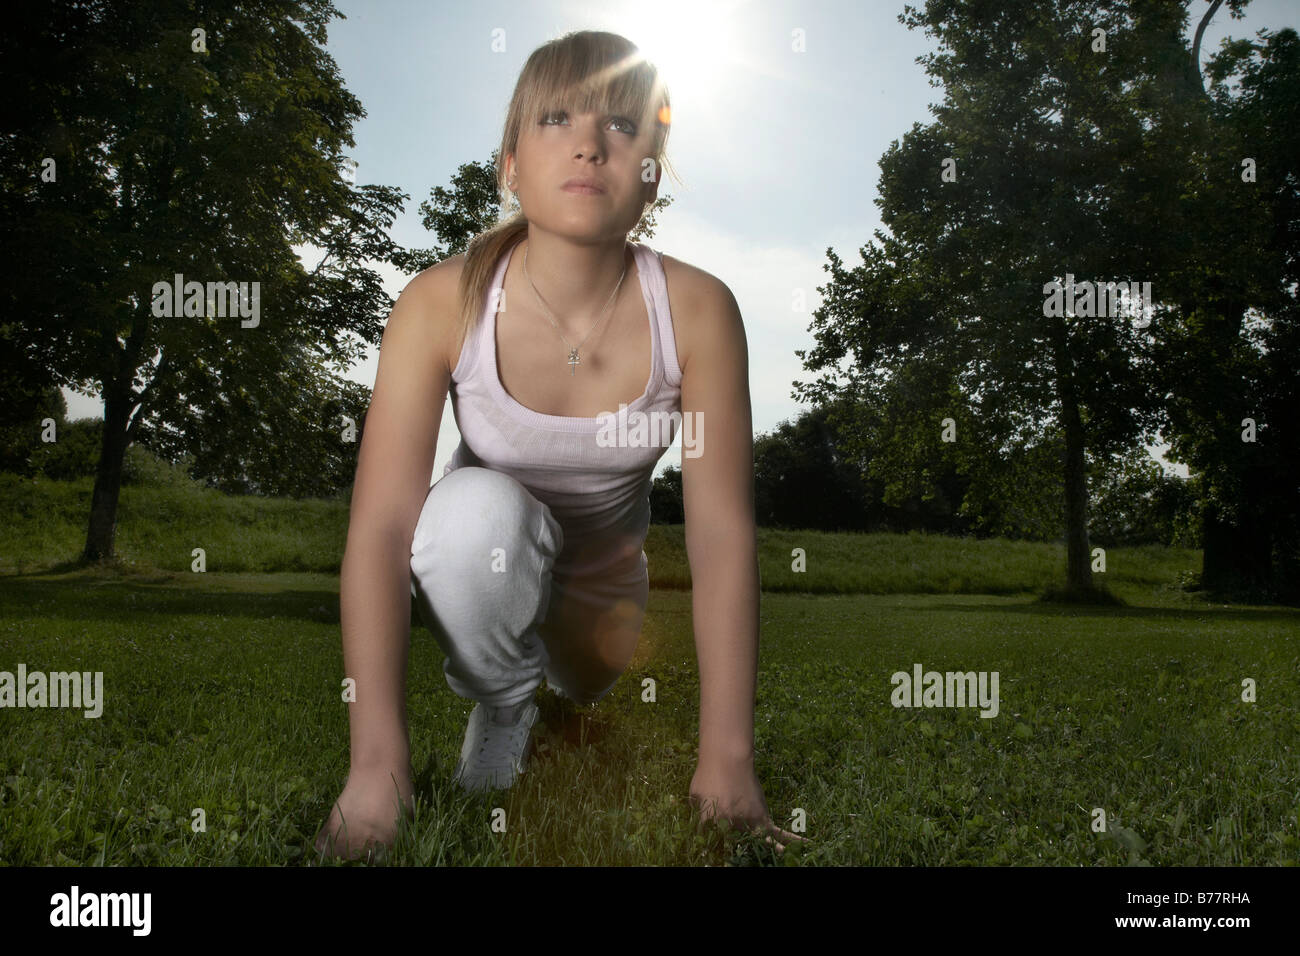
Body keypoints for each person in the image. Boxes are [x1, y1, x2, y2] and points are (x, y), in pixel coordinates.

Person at [313, 30, 804, 862]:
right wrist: (374, 769)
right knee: (470, 515)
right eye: (556, 118)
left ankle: (557, 693)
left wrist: (727, 765)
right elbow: (383, 531)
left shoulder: (700, 309)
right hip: (486, 570)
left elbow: (720, 536)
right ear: (509, 162)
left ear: (654, 171)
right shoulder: (439, 303)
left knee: (581, 670)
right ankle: (504, 705)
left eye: (621, 124)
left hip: (601, 615)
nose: (588, 141)